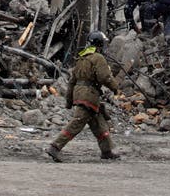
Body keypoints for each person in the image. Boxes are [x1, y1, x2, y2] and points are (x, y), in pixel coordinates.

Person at [46, 30, 121, 162]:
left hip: (80, 94)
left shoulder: (81, 58)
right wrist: (115, 88)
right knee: (77, 122)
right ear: (99, 44)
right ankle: (55, 147)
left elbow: (72, 82)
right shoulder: (98, 58)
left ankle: (107, 151)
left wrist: (69, 101)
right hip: (89, 96)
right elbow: (105, 77)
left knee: (98, 123)